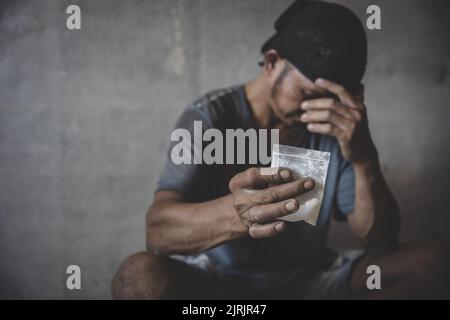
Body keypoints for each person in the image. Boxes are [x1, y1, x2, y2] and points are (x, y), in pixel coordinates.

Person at [112, 0, 448, 299]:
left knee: (431, 264)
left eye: (334, 98)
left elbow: (380, 242)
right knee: (138, 279)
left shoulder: (334, 127)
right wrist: (240, 212)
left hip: (309, 279)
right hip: (219, 284)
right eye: (308, 94)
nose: (320, 110)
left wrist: (364, 158)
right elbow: (158, 232)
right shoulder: (209, 118)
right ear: (272, 62)